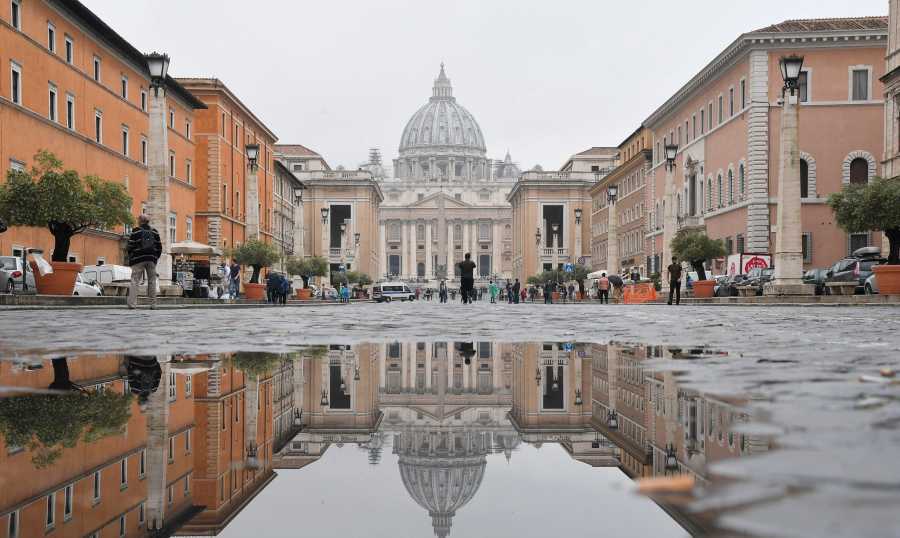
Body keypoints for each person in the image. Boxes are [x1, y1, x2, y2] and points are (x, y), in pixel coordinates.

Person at [126, 214, 162, 309]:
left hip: (138, 259)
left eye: (138, 219)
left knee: (135, 280)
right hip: (151, 259)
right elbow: (159, 247)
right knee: (152, 281)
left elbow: (130, 246)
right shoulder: (155, 232)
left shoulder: (136, 231)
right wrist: (154, 258)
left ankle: (132, 304)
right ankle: (153, 304)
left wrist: (132, 257)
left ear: (140, 221)